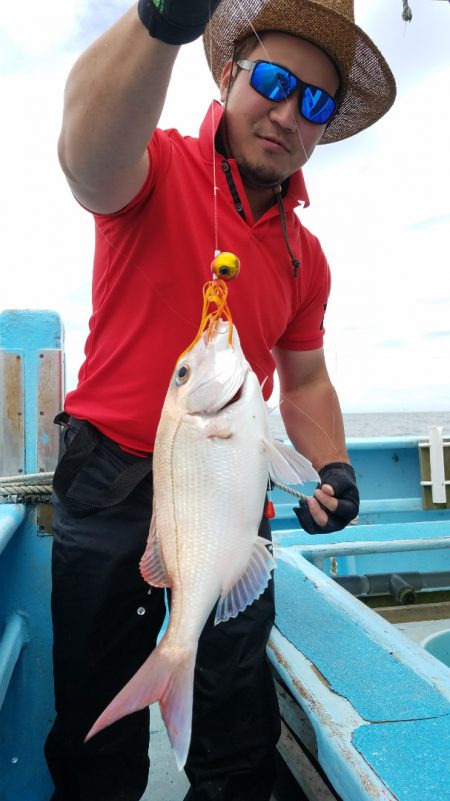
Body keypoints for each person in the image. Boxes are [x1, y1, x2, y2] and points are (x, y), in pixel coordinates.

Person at [45, 1, 396, 799]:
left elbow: (304, 378)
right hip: (108, 491)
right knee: (94, 750)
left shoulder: (306, 256)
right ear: (232, 73)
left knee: (237, 746)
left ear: (324, 126)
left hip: (233, 503)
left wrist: (332, 463)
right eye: (272, 81)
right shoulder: (156, 164)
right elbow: (85, 159)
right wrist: (160, 19)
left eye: (314, 102)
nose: (286, 113)